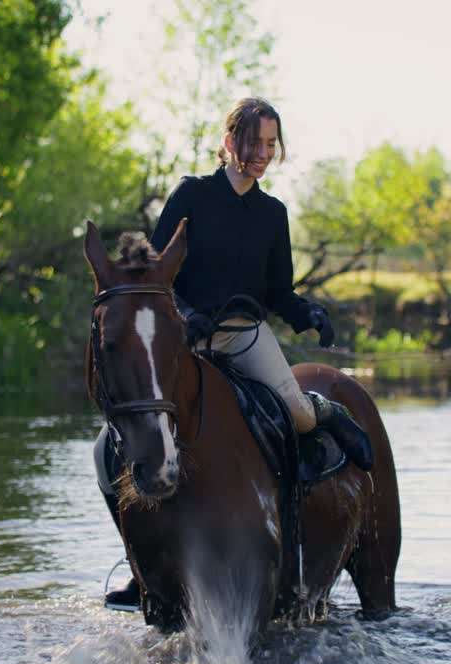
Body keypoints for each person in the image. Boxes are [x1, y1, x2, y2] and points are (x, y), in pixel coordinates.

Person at [98, 97, 372, 611]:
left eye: (271, 144)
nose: (263, 153)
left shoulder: (274, 214)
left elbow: (277, 292)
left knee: (294, 412)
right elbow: (153, 276)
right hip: (187, 341)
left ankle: (326, 416)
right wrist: (183, 311)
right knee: (106, 451)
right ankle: (142, 571)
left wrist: (305, 312)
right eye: (254, 143)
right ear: (228, 143)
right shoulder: (192, 195)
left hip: (245, 336)